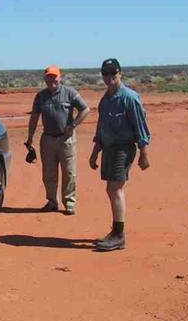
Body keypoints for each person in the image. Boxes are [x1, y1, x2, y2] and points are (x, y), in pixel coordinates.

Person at [89, 58, 151, 251]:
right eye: (105, 74)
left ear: (120, 74)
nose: (109, 78)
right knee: (112, 189)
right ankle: (116, 231)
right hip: (108, 148)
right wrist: (95, 152)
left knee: (115, 189)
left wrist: (144, 153)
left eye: (113, 73)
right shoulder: (105, 100)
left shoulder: (129, 98)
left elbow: (141, 127)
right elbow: (101, 128)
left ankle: (118, 235)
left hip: (123, 148)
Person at [25, 65, 90, 215]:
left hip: (66, 139)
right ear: (44, 79)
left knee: (69, 172)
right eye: (48, 77)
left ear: (60, 77)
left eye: (54, 76)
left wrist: (73, 125)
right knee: (49, 173)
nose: (51, 80)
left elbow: (85, 109)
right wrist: (30, 138)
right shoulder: (40, 96)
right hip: (47, 139)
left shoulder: (70, 93)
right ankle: (52, 202)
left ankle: (69, 203)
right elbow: (34, 118)